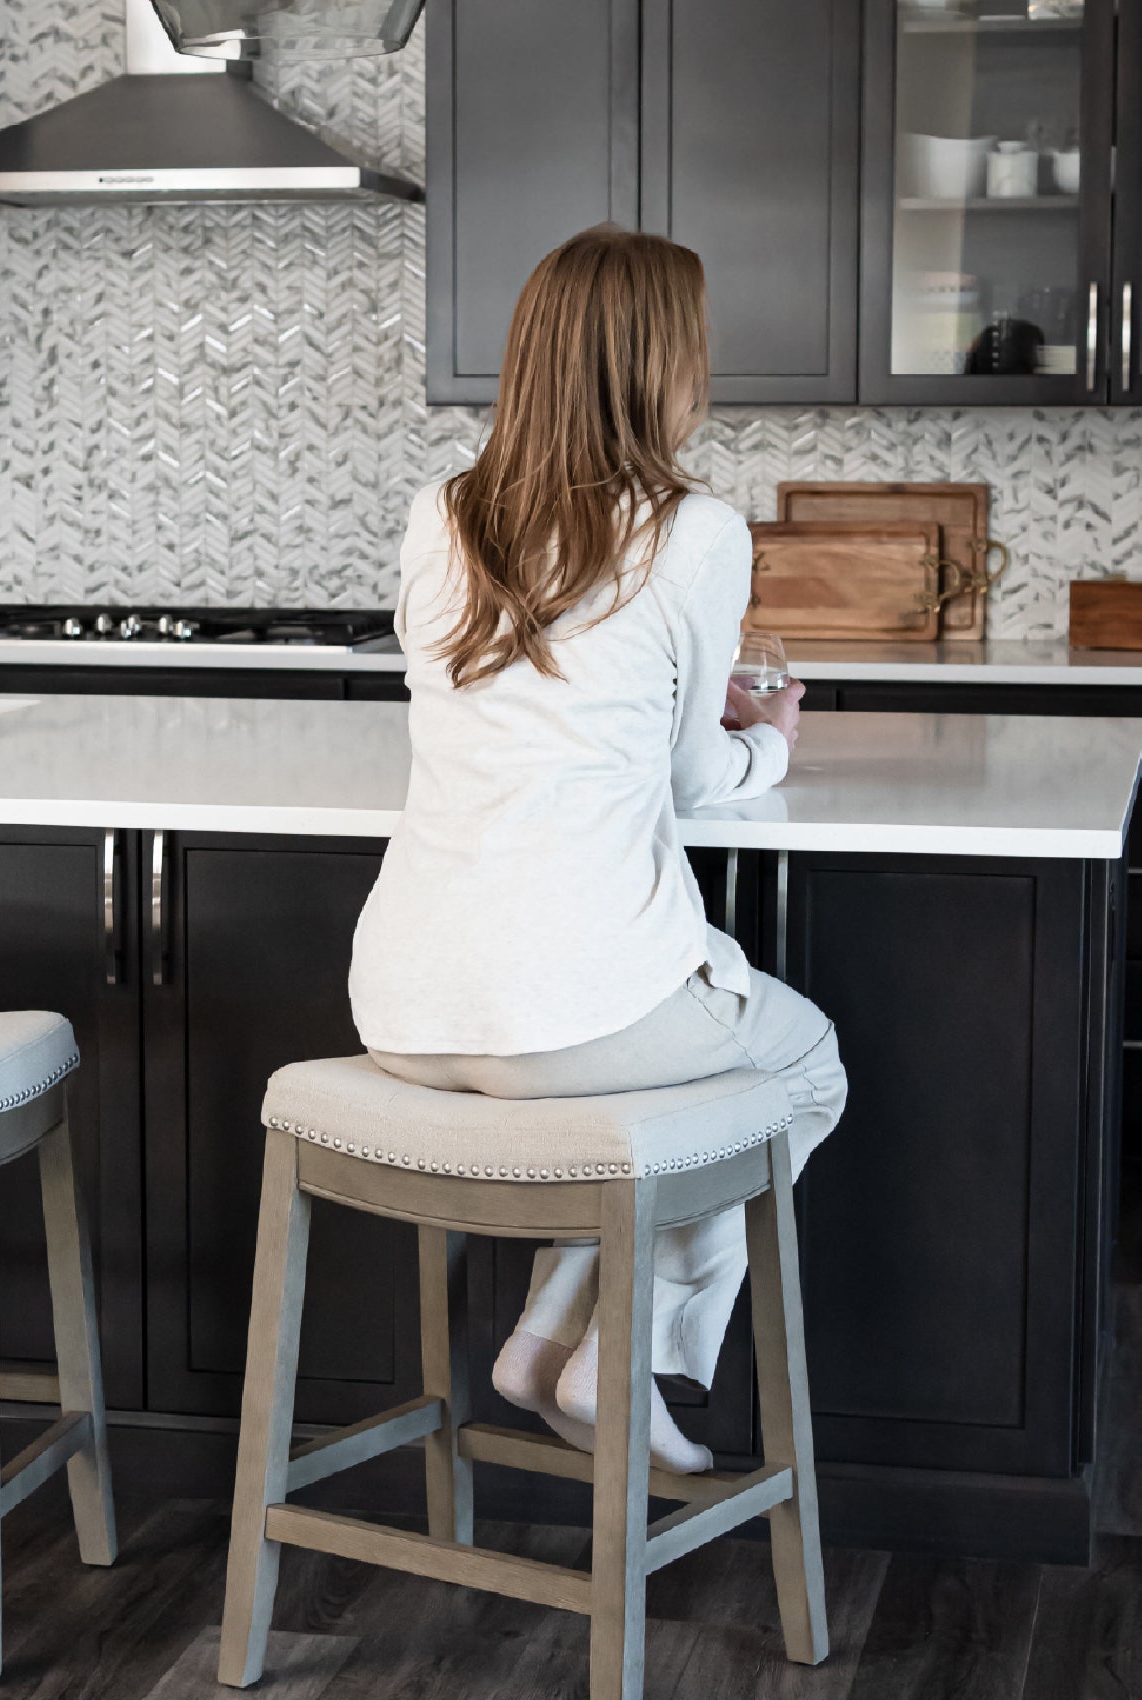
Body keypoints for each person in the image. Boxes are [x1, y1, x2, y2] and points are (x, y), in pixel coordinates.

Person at [348, 226, 846, 1474]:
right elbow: (691, 778)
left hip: (403, 1006)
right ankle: (627, 1354)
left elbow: (547, 699)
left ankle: (540, 1347)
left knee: (647, 1106)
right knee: (803, 1068)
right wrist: (770, 742)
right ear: (664, 364)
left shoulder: (441, 512)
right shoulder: (696, 530)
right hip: (570, 1020)